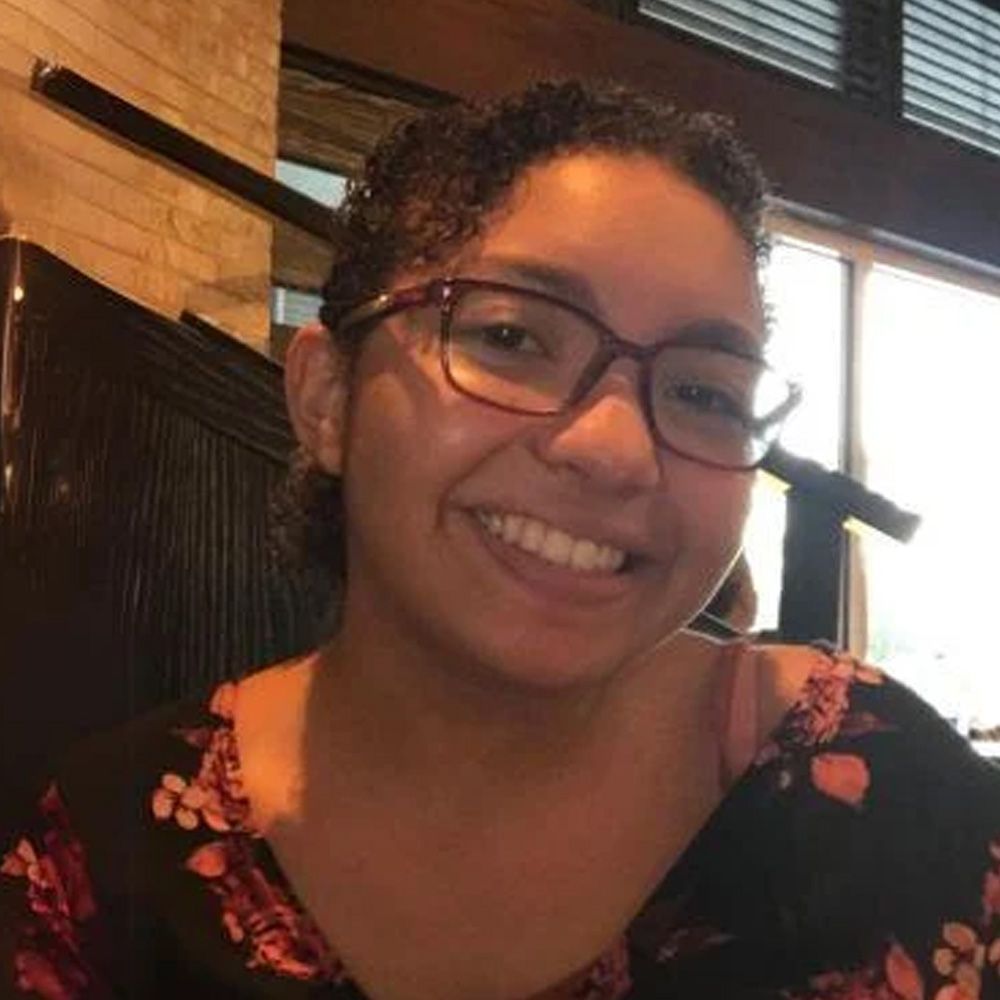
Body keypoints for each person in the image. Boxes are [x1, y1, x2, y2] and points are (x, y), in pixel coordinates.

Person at [2, 79, 998, 1000]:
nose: (617, 450)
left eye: (703, 392)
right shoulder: (106, 859)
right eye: (512, 337)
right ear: (327, 398)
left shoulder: (875, 791)